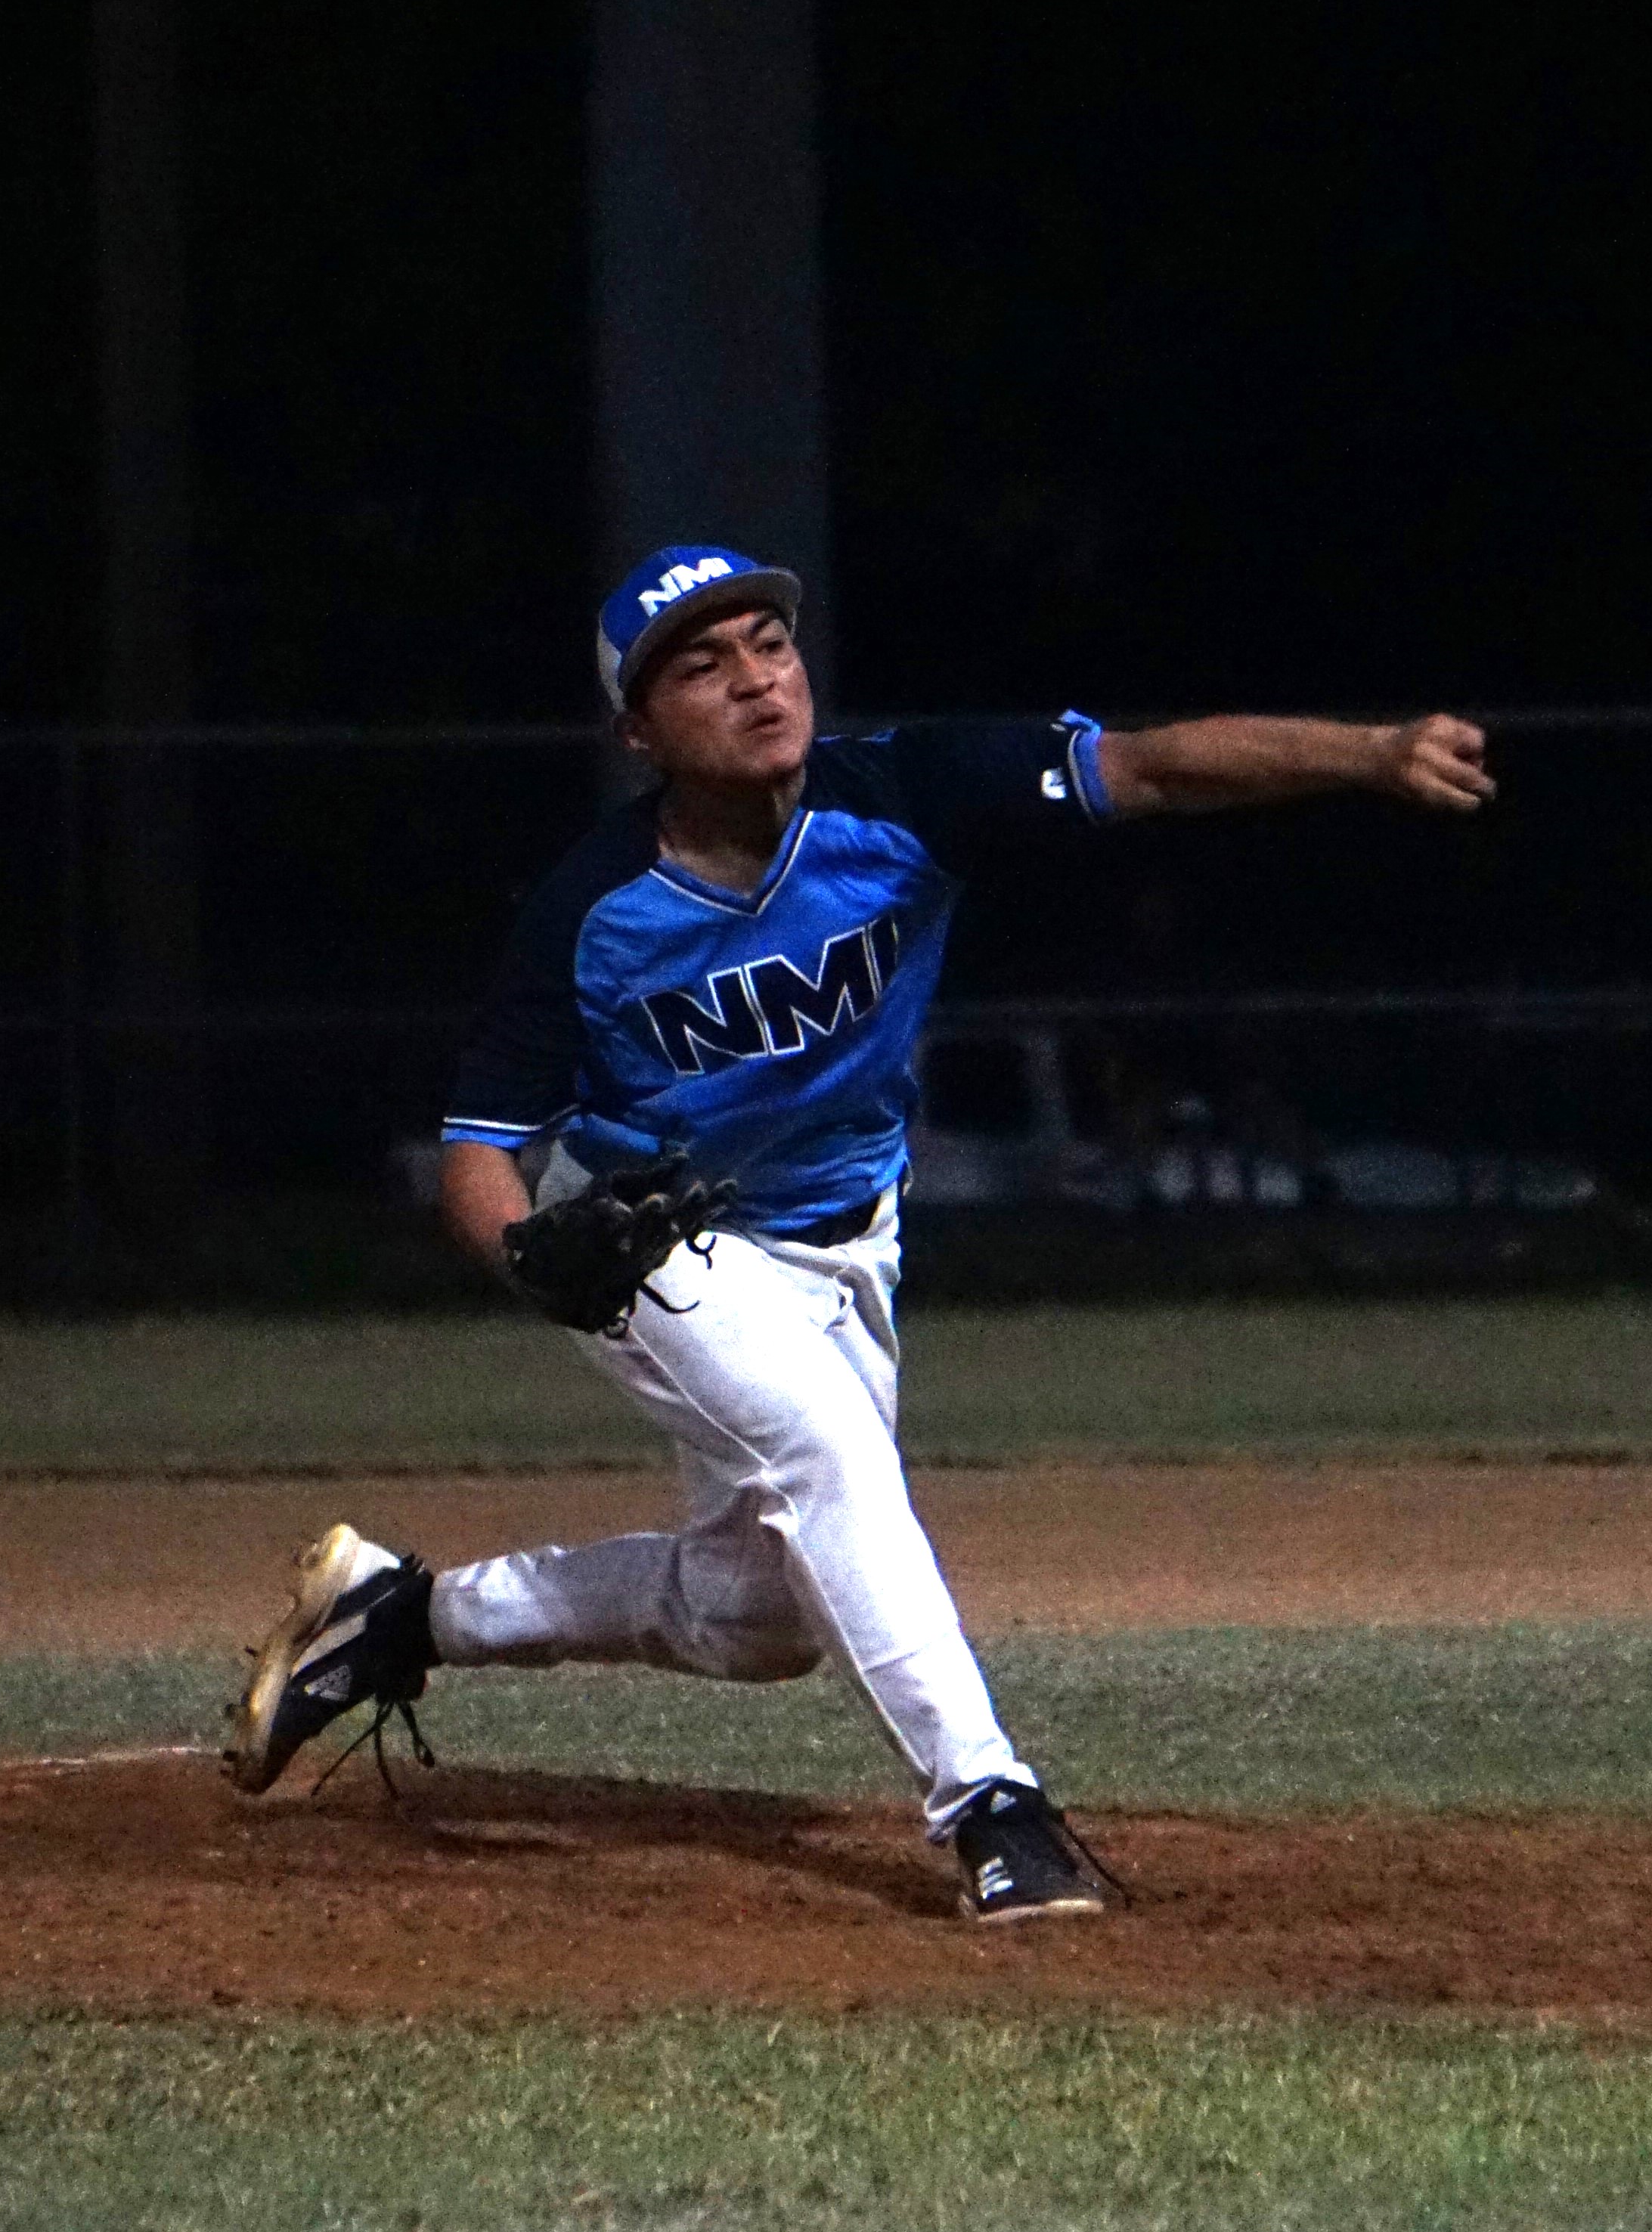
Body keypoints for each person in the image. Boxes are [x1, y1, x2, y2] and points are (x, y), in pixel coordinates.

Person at [222, 544, 1494, 1920]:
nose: (756, 680)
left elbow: (1157, 767)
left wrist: (1373, 752)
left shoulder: (903, 794)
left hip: (850, 1242)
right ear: (638, 733)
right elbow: (480, 1151)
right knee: (827, 1454)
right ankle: (992, 1807)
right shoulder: (588, 915)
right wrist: (533, 1255)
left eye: (768, 643)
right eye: (702, 666)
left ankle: (399, 1617)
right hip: (658, 1244)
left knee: (753, 1620)